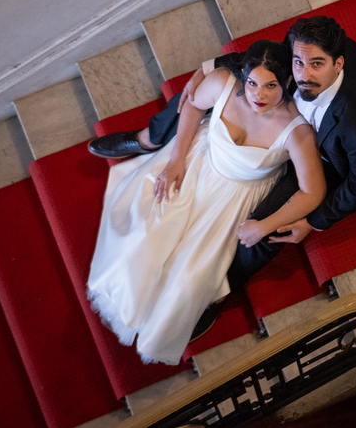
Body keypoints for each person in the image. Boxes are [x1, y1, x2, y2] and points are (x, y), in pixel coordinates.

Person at [88, 15, 356, 294]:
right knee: (203, 92)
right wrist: (209, 68)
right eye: (298, 62)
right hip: (299, 131)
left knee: (271, 224)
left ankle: (221, 288)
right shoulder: (305, 51)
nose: (303, 75)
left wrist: (312, 221)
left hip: (341, 158)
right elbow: (265, 61)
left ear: (338, 64)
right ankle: (149, 138)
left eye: (317, 65)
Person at [86, 40, 325, 365]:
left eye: (271, 86)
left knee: (189, 273)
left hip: (233, 198)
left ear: (287, 82)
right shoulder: (223, 83)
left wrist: (264, 225)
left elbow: (313, 191)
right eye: (253, 83)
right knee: (147, 233)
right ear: (243, 75)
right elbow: (195, 107)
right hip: (197, 163)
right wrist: (176, 158)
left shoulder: (297, 132)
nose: (259, 95)